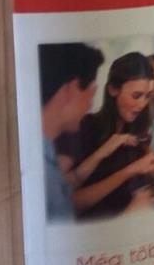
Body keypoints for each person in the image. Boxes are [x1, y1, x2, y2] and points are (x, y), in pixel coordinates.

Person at [58, 52, 154, 220]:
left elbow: (146, 181)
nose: (142, 104)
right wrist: (129, 171)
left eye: (147, 96)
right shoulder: (86, 127)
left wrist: (153, 172)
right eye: (136, 96)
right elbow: (71, 203)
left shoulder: (135, 132)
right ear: (113, 90)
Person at [38, 43, 104, 222]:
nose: (90, 105)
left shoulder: (45, 151)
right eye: (91, 93)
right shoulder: (43, 170)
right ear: (71, 89)